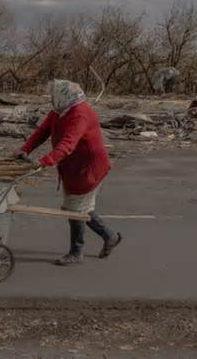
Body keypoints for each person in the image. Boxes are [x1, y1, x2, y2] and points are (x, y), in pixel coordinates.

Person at [15, 79, 122, 266]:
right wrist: (24, 149)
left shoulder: (80, 114)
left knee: (75, 210)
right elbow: (43, 131)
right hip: (74, 167)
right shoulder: (59, 111)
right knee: (80, 208)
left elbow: (68, 144)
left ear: (62, 96)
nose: (51, 99)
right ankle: (109, 236)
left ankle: (77, 251)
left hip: (88, 168)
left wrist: (44, 161)